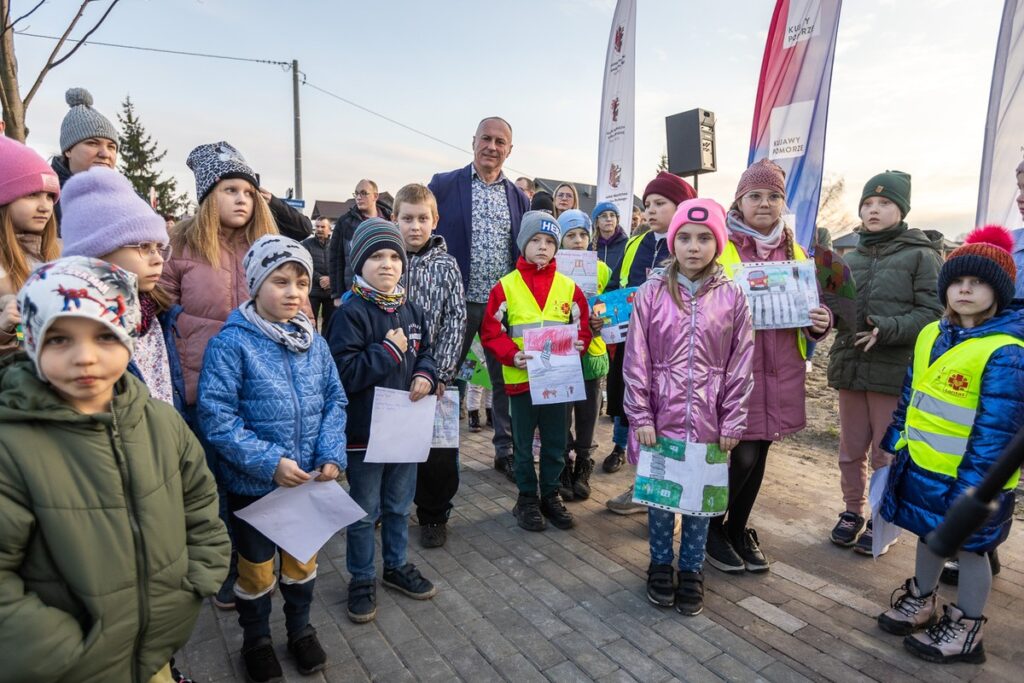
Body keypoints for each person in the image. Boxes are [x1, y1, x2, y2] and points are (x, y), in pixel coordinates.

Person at [0, 256, 230, 682]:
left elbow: (200, 502)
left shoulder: (161, 423)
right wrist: (65, 653)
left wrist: (197, 579)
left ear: (127, 338)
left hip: (155, 649)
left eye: (104, 337)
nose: (85, 357)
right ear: (31, 343)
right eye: (59, 340)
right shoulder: (12, 447)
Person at [198, 236, 347, 680]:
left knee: (302, 565)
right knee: (257, 572)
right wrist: (268, 463)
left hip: (306, 487)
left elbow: (334, 402)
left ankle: (300, 630)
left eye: (301, 282)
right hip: (256, 488)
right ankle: (256, 640)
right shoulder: (232, 344)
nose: (293, 292)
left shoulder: (314, 344)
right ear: (255, 285)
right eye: (280, 281)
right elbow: (217, 417)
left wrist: (330, 455)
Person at [875, 226, 1024, 665]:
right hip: (923, 465)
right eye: (957, 281)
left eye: (977, 283)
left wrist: (975, 488)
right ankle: (922, 600)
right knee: (929, 535)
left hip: (975, 482)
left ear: (998, 292)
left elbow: (998, 432)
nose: (965, 290)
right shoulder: (930, 334)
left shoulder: (1006, 351)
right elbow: (911, 394)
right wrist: (893, 441)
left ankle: (966, 627)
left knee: (972, 550)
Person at [161, 140, 291, 609]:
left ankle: (257, 557)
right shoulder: (181, 243)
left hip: (259, 386)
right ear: (206, 197)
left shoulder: (266, 246)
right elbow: (161, 301)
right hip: (201, 386)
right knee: (212, 484)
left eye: (248, 190)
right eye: (230, 189)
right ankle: (222, 564)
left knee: (255, 476)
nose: (242, 199)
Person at [626, 198, 754, 616]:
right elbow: (636, 359)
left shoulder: (733, 298)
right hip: (660, 419)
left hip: (710, 422)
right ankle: (661, 564)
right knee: (661, 500)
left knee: (699, 502)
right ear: (672, 240)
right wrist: (641, 414)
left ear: (717, 243)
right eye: (684, 237)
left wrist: (732, 419)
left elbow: (740, 363)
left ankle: (693, 569)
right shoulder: (651, 293)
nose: (693, 247)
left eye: (704, 238)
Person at [704, 158, 832, 574]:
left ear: (783, 203)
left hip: (782, 367)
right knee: (740, 455)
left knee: (761, 453)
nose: (764, 203)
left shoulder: (795, 250)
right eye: (755, 195)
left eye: (774, 196)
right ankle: (711, 529)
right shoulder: (718, 245)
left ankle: (738, 529)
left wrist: (820, 322)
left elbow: (811, 308)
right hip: (735, 369)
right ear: (738, 200)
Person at [826, 171, 943, 553]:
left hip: (892, 370)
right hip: (851, 363)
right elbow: (839, 305)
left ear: (902, 210)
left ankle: (883, 516)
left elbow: (933, 312)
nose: (874, 210)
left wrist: (887, 328)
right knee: (850, 447)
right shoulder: (851, 256)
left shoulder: (921, 254)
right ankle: (851, 510)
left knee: (885, 450)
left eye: (885, 203)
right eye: (868, 204)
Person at [330, 219, 439, 624]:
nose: (388, 264)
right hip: (365, 435)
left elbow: (426, 350)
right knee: (363, 511)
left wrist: (426, 374)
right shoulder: (350, 313)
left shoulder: (412, 309)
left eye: (395, 256)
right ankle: (360, 577)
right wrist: (388, 355)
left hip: (405, 431)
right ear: (359, 262)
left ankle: (395, 566)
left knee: (397, 505)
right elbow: (344, 374)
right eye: (377, 256)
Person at [430, 117, 530, 475]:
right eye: (486, 139)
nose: (492, 146)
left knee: (505, 379)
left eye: (500, 142)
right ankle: (436, 451)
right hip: (455, 303)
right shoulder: (443, 185)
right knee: (443, 375)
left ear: (509, 150)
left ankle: (505, 450)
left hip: (500, 307)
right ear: (473, 141)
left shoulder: (519, 197)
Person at [481, 211, 592, 531]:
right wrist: (511, 355)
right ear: (522, 244)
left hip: (557, 383)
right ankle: (527, 498)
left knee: (556, 442)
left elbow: (581, 327)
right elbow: (491, 331)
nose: (542, 247)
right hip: (522, 382)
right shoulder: (505, 287)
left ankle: (551, 495)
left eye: (549, 241)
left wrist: (580, 344)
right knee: (523, 443)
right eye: (535, 240)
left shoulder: (569, 288)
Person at [604, 171, 696, 512]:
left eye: (660, 204)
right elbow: (615, 288)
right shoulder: (634, 244)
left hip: (674, 357)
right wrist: (604, 312)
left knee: (671, 423)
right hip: (633, 352)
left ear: (681, 206)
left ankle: (669, 498)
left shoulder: (692, 243)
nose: (651, 211)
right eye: (647, 205)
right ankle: (642, 487)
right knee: (638, 422)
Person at [60, 166, 177, 405]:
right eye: (144, 247)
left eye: (159, 248)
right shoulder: (77, 328)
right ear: (98, 253)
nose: (157, 259)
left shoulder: (157, 315)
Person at [394, 183, 467, 548]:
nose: (415, 227)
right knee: (390, 447)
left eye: (423, 218)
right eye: (407, 218)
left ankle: (434, 513)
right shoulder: (386, 260)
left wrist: (441, 371)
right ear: (394, 219)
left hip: (435, 377)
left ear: (435, 220)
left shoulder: (446, 265)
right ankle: (386, 508)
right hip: (392, 373)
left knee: (436, 453)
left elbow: (456, 318)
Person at [556, 209, 609, 501]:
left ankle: (584, 465)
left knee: (588, 413)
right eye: (571, 235)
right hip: (564, 351)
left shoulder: (602, 269)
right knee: (562, 414)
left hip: (593, 352)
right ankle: (563, 464)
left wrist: (603, 319)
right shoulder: (553, 271)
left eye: (583, 235)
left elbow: (609, 305)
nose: (578, 241)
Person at [0, 136, 61, 356]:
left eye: (49, 196)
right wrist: (4, 329)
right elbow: (17, 338)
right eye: (32, 195)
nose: (45, 206)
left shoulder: (62, 254)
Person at [49, 88, 119, 225]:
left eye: (111, 146)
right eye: (92, 143)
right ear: (68, 150)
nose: (105, 154)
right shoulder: (46, 198)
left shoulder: (131, 197)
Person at [329, 179, 392, 302]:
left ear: (375, 196)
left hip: (384, 291)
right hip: (353, 291)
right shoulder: (345, 222)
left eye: (363, 193)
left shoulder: (390, 221)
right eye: (356, 193)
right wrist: (337, 295)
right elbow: (336, 259)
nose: (358, 197)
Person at [302, 216, 336, 332]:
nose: (320, 229)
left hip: (331, 291)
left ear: (329, 229)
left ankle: (327, 346)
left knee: (330, 322)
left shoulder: (336, 245)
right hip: (313, 290)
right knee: (310, 322)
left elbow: (340, 264)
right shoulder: (306, 244)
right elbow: (305, 266)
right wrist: (320, 278)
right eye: (317, 226)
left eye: (323, 226)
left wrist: (330, 279)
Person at [592, 200, 629, 272]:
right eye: (604, 216)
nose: (609, 219)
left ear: (617, 220)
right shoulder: (590, 247)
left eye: (612, 215)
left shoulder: (627, 244)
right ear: (596, 222)